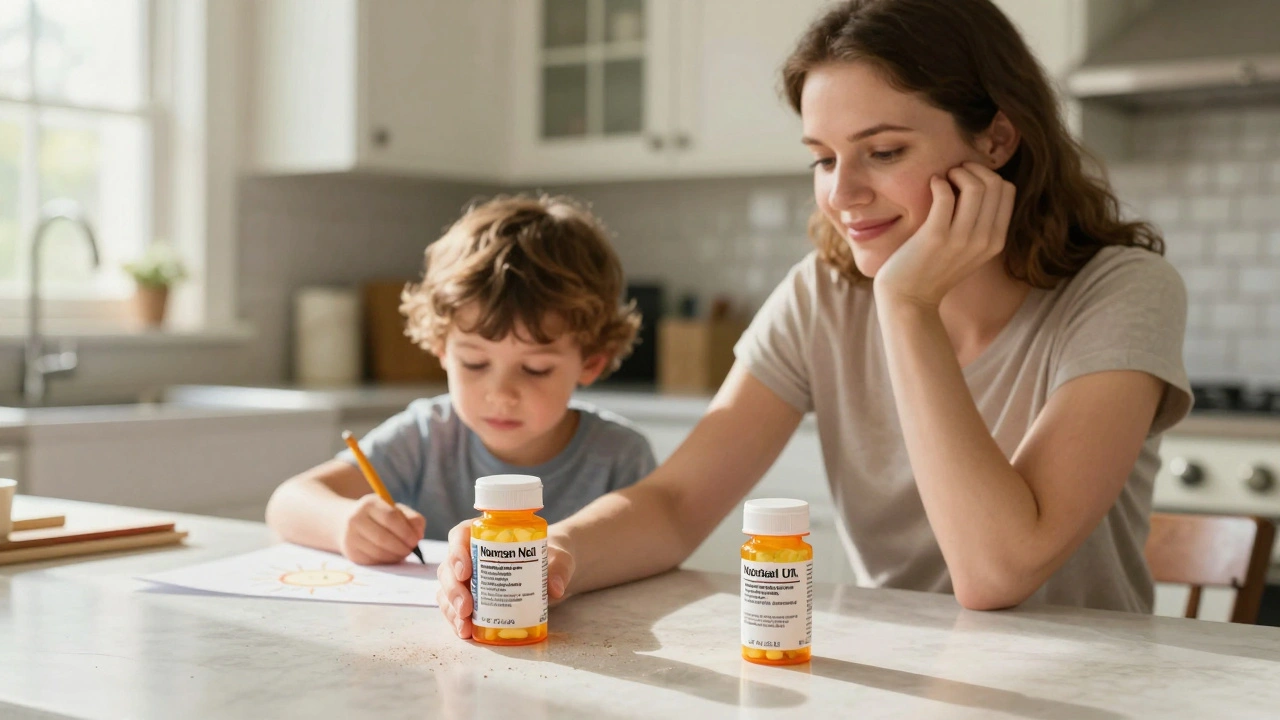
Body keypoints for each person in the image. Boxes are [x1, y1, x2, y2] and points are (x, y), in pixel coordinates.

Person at [437, 0, 1193, 635]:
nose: (842, 194)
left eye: (884, 150)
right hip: (889, 678)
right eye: (824, 158)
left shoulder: (1122, 292)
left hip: (1083, 689)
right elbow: (675, 504)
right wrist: (554, 549)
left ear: (996, 140)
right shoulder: (822, 294)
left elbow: (997, 572)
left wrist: (907, 304)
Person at [266, 195, 657, 564]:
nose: (501, 395)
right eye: (473, 363)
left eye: (536, 369)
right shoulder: (425, 437)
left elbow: (652, 555)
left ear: (590, 362)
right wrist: (343, 524)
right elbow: (287, 503)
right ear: (441, 348)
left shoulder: (619, 456)